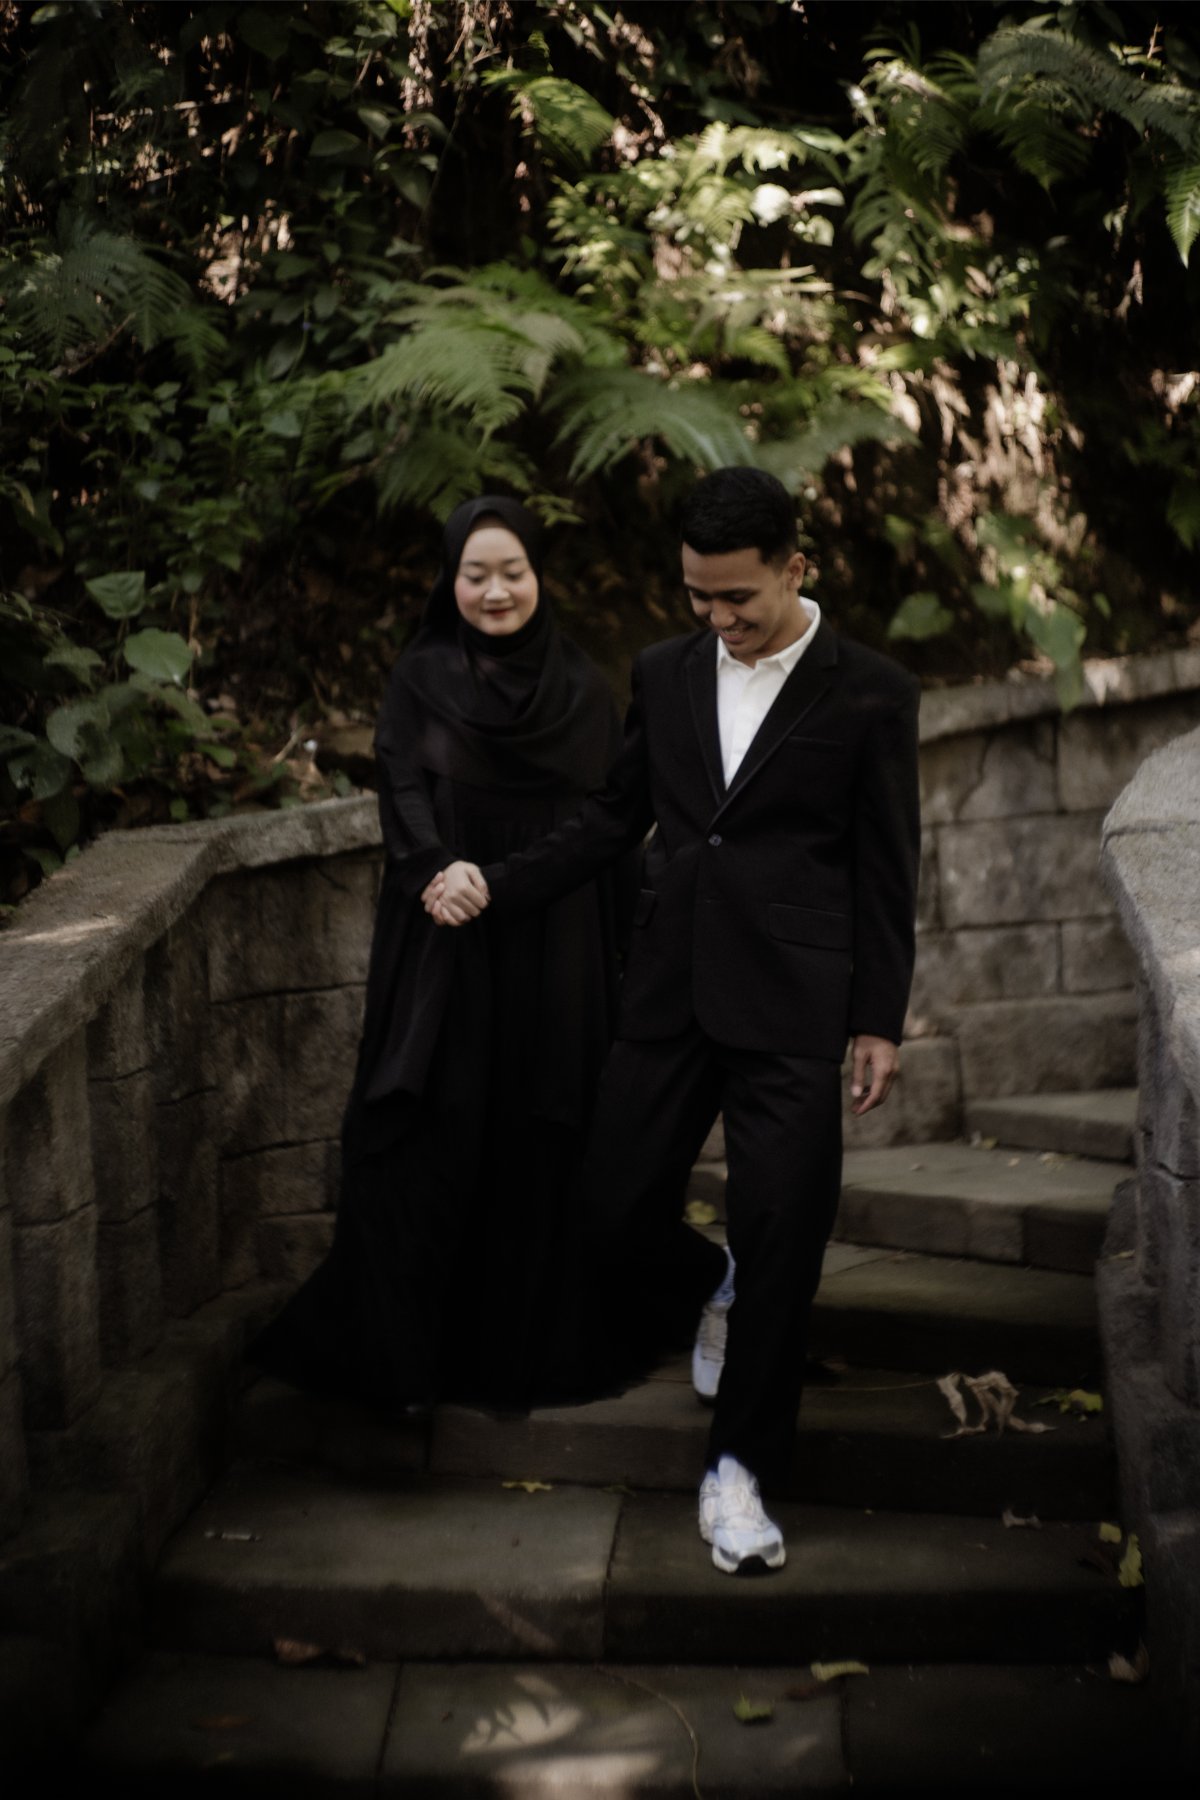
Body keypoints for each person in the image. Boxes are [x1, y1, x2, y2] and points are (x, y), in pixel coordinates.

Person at [426, 466, 920, 1574]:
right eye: (698, 595)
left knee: (786, 1236)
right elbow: (614, 818)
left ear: (795, 568)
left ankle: (738, 1471)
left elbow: (889, 865)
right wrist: (499, 881)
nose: (717, 617)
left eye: (737, 597)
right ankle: (713, 1284)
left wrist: (877, 1018)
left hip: (794, 1004)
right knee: (606, 1209)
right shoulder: (665, 670)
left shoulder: (873, 692)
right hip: (669, 989)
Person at [252, 495, 631, 1415]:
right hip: (441, 934)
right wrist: (439, 873)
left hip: (549, 941)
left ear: (539, 575)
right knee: (425, 1123)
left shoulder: (585, 691)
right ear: (448, 579)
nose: (495, 592)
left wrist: (499, 882)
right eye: (475, 574)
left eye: (512, 573)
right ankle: (402, 1362)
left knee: (535, 1127)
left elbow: (603, 825)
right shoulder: (421, 676)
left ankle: (516, 1354)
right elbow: (402, 789)